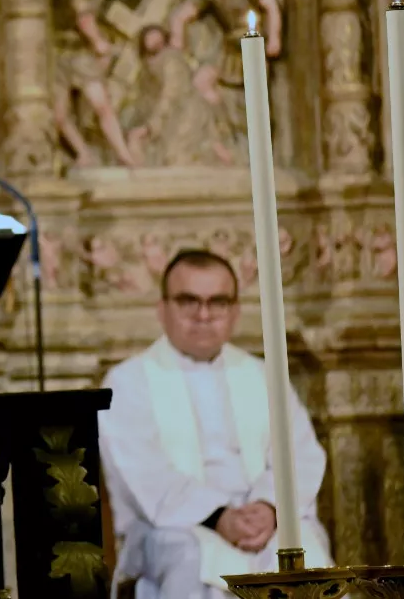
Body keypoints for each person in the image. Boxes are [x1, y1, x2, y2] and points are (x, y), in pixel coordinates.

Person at [101, 251, 330, 599]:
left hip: (264, 521)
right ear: (162, 309)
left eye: (217, 302)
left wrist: (268, 507)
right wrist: (219, 516)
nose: (203, 315)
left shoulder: (263, 376)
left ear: (235, 311)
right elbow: (142, 473)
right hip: (176, 526)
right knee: (190, 559)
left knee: (303, 552)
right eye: (188, 301)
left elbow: (300, 454)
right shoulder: (127, 382)